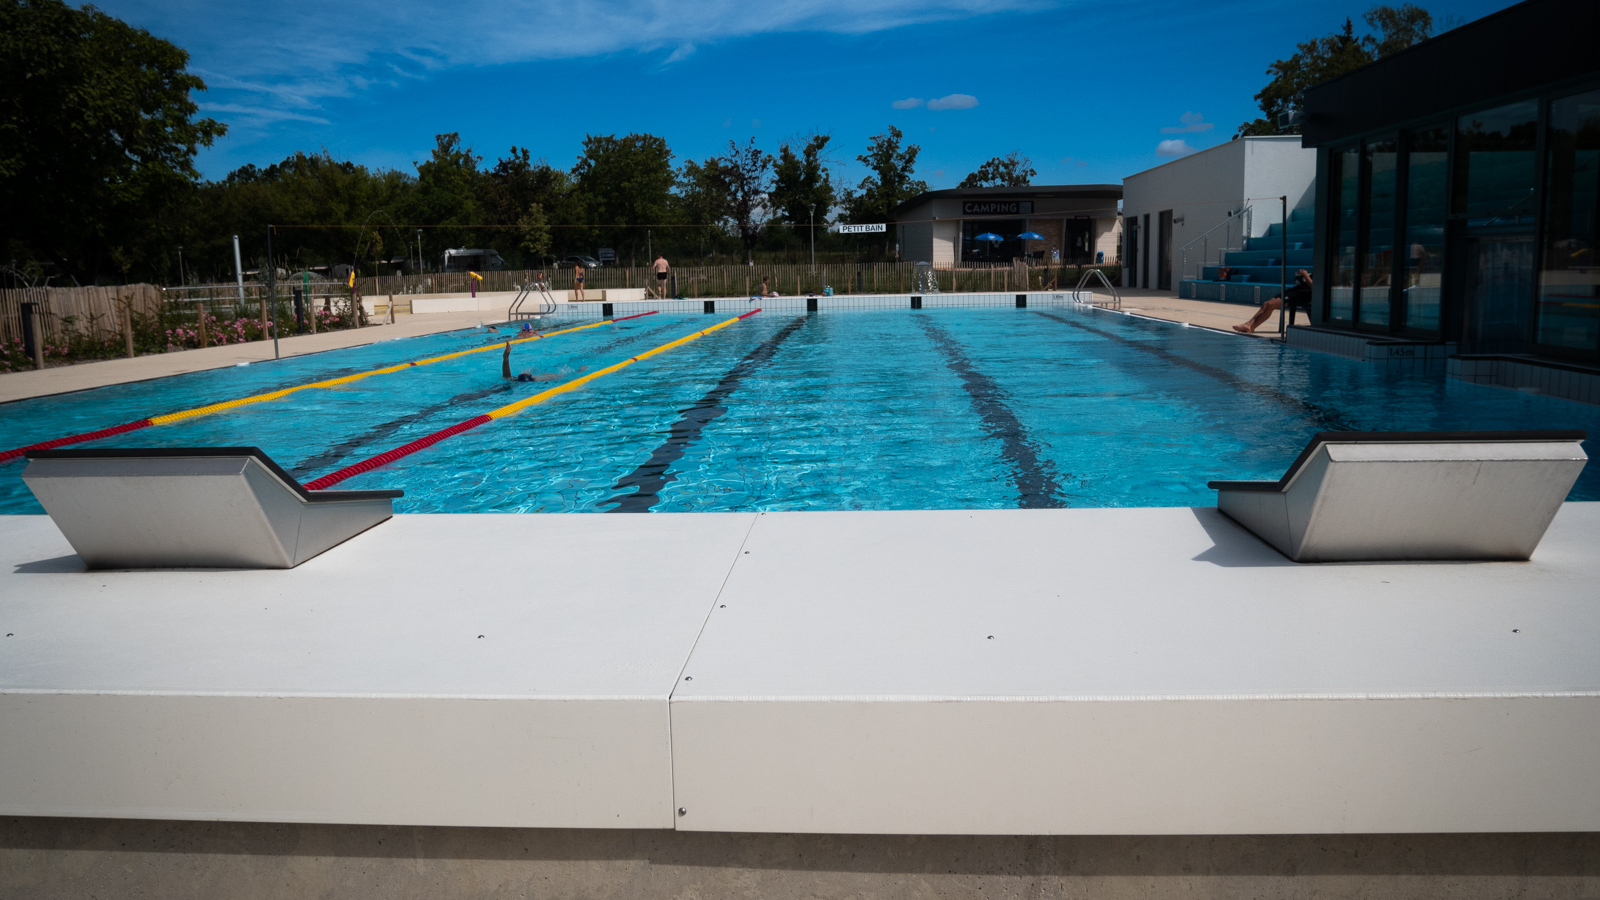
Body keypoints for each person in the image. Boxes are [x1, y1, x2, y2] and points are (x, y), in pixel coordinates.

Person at [1234, 269, 1312, 333]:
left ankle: (1250, 327)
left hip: (1302, 294)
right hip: (1295, 290)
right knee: (1266, 304)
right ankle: (1249, 325)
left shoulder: (1321, 273)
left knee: (1271, 305)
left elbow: (1314, 287)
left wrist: (1305, 274)